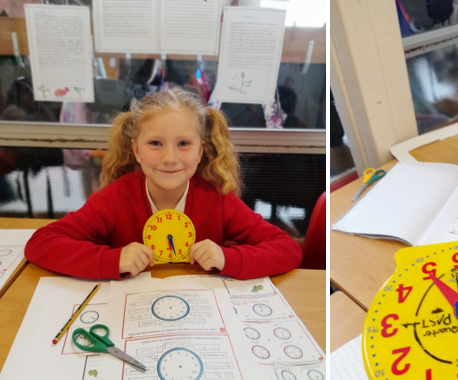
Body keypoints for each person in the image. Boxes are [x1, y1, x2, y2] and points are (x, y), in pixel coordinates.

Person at [25, 87, 303, 279]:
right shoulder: (114, 199)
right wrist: (112, 260)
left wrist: (227, 258)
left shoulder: (217, 200)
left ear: (200, 150)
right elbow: (42, 243)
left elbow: (287, 249)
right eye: (155, 143)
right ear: (136, 149)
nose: (169, 158)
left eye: (183, 143)